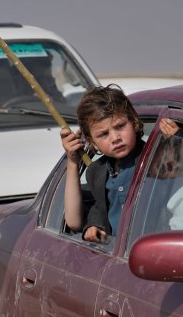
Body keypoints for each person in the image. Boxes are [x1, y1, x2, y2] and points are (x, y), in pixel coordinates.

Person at [60, 85, 145, 243]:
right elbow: (74, 222)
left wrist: (176, 140)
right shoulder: (97, 171)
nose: (115, 138)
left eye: (120, 126)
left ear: (133, 121)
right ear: (92, 141)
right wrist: (72, 162)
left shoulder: (155, 159)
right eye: (104, 134)